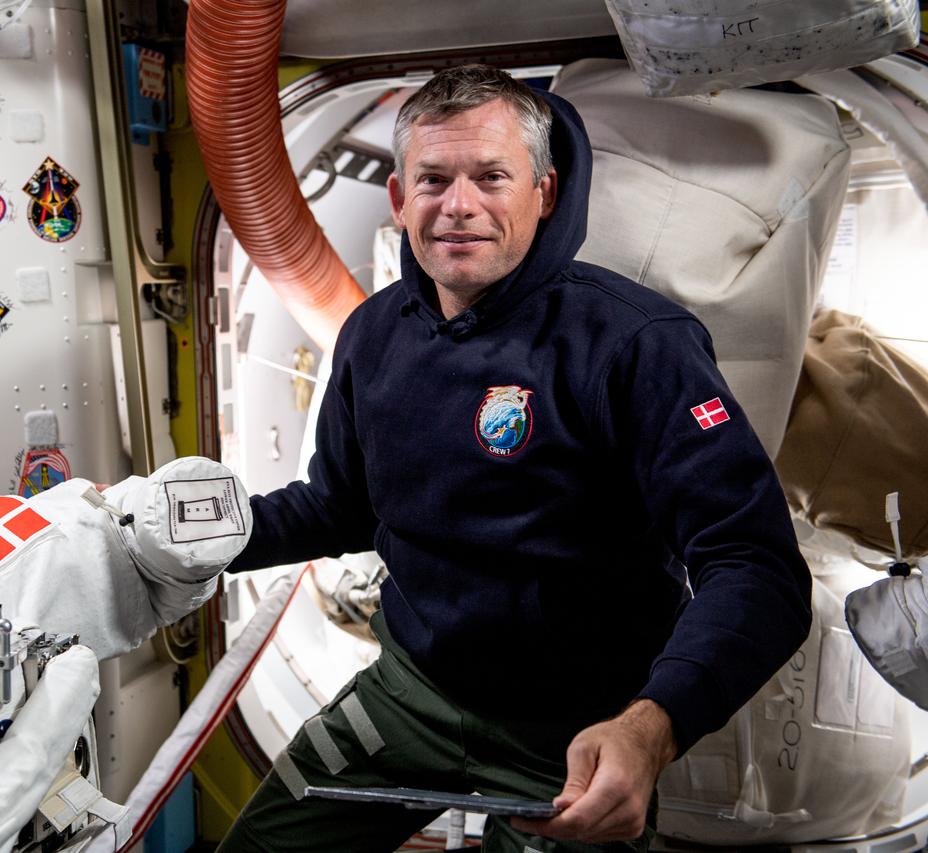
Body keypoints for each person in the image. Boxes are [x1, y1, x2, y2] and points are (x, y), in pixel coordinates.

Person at [216, 64, 812, 852]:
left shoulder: (637, 345)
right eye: (432, 178)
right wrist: (193, 539)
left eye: (491, 177)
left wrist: (651, 728)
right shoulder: (373, 335)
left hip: (578, 730)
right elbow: (340, 505)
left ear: (546, 192)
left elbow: (756, 566)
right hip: (409, 693)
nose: (458, 204)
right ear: (399, 200)